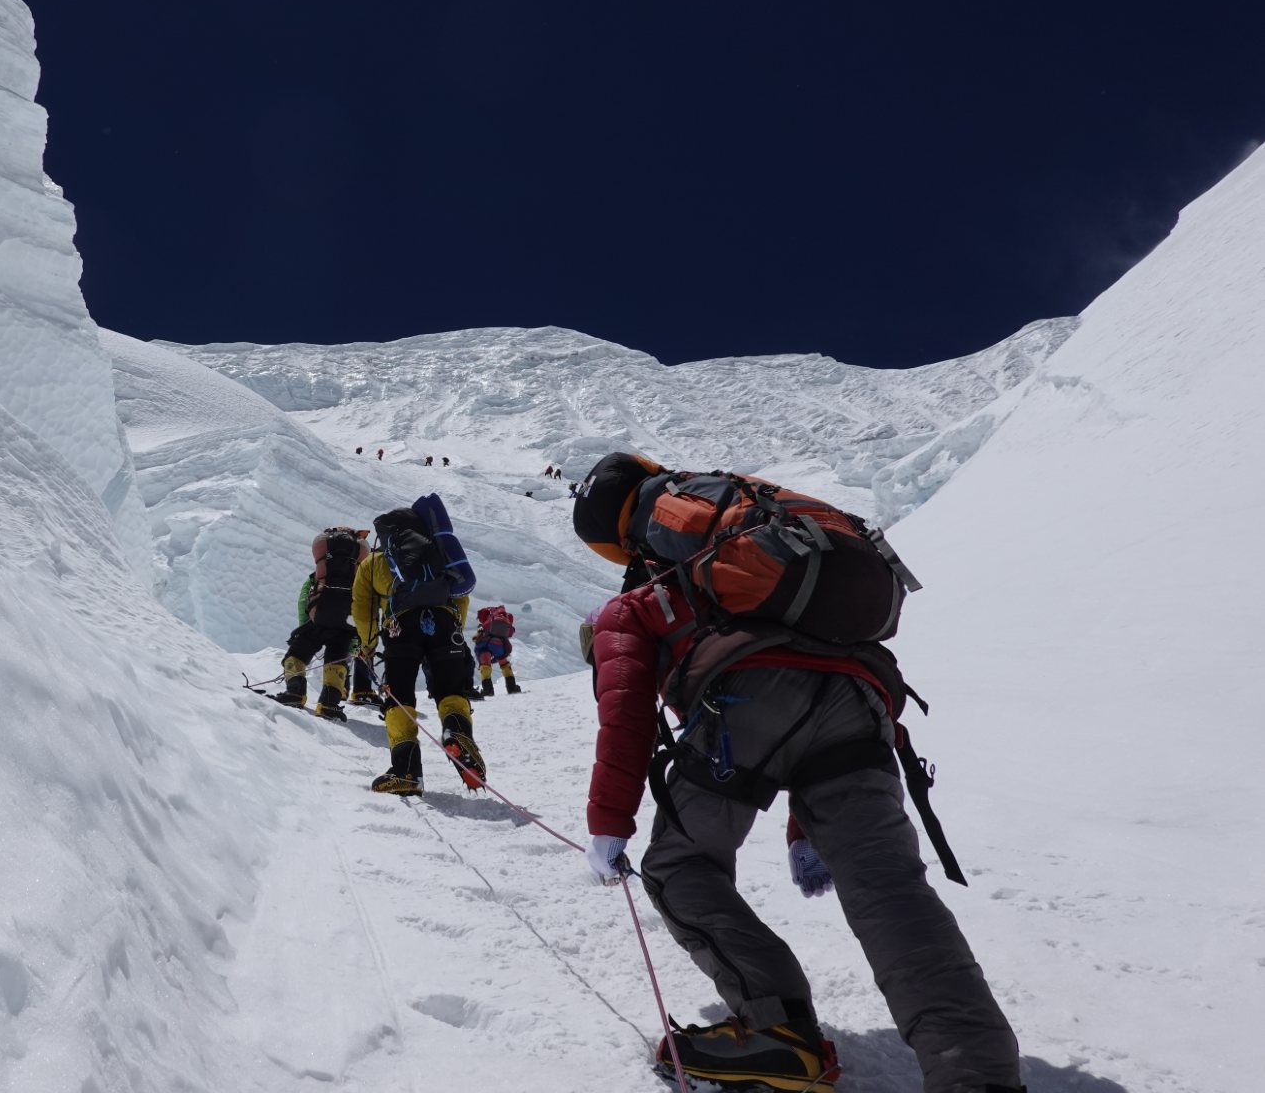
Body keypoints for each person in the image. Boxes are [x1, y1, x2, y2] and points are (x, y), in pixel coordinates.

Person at [574, 454, 1024, 1093]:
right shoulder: (756, 534)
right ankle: (979, 1076)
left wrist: (608, 823)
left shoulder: (647, 596)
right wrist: (802, 829)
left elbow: (626, 713)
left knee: (682, 866)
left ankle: (777, 1028)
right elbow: (808, 677)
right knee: (890, 890)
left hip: (746, 700)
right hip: (863, 699)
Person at [353, 509, 484, 795]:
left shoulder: (375, 562)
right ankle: (457, 733)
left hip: (400, 627)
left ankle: (406, 772)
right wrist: (454, 630)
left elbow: (363, 608)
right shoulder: (439, 554)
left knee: (398, 697)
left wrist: (367, 644)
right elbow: (460, 595)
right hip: (445, 622)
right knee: (451, 692)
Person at [277, 527, 368, 721]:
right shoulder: (359, 578)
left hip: (318, 621)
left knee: (296, 655)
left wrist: (306, 625)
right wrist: (356, 641)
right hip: (346, 625)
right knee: (337, 662)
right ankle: (328, 704)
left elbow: (304, 598)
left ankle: (295, 693)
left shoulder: (319, 576)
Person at [471, 606, 522, 697]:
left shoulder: (488, 615)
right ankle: (512, 687)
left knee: (485, 663)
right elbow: (510, 632)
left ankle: (488, 690)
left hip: (486, 643)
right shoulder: (504, 616)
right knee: (503, 661)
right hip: (500, 645)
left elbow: (482, 626)